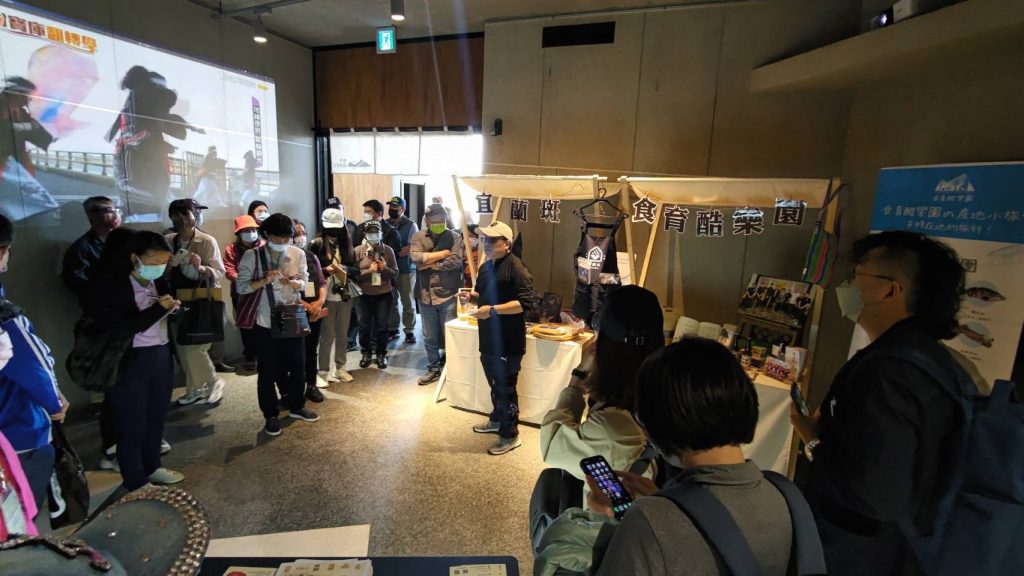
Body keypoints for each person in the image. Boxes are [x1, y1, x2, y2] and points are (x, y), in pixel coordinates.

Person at [790, 230, 970, 576]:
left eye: (856, 274)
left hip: (864, 557)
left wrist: (813, 440)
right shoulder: (933, 361)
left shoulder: (888, 373)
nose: (848, 286)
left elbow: (875, 494)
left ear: (890, 290)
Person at [584, 338, 797, 576]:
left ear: (659, 422)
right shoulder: (786, 497)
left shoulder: (647, 523)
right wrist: (667, 503)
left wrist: (615, 521)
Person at [540, 285, 665, 506]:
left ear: (604, 348)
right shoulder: (668, 395)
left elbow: (552, 445)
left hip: (608, 525)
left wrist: (577, 380)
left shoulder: (611, 428)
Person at [87, 230, 185, 490]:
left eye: (163, 262)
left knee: (156, 418)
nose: (159, 267)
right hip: (129, 361)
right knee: (132, 424)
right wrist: (157, 310)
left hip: (160, 354)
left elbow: (165, 313)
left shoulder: (159, 281)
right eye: (153, 262)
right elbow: (119, 328)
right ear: (134, 258)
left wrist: (173, 310)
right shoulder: (111, 286)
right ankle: (135, 479)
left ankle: (152, 467)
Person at [0, 214, 67, 519]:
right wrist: (54, 403)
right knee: (18, 521)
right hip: (18, 432)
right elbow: (34, 366)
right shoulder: (6, 317)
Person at [235, 213, 319, 436]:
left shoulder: (297, 253)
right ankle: (270, 415)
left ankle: (297, 405)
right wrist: (264, 280)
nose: (282, 241)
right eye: (277, 237)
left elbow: (305, 282)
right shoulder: (253, 256)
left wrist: (292, 282)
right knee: (267, 371)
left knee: (298, 366)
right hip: (265, 320)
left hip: (292, 315)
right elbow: (241, 287)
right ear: (266, 234)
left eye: (286, 237)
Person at [461, 221, 536, 456]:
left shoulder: (517, 268)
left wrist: (492, 310)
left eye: (493, 240)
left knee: (506, 387)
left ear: (507, 243)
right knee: (495, 383)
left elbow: (524, 304)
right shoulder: (486, 267)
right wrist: (471, 297)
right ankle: (496, 419)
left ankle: (510, 434)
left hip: (508, 339)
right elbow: (482, 295)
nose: (487, 243)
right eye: (485, 239)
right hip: (488, 336)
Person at [165, 199, 227, 405]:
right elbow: (161, 273)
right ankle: (195, 389)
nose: (183, 219)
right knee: (183, 348)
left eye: (187, 214)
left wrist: (200, 267)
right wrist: (170, 266)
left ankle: (213, 381)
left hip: (202, 299)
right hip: (177, 300)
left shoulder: (206, 240)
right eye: (177, 215)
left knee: (195, 348)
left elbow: (219, 272)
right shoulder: (168, 240)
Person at [410, 204, 463, 385]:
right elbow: (416, 258)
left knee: (450, 334)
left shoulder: (455, 237)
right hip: (425, 293)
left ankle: (452, 369)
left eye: (442, 220)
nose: (440, 224)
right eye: (435, 221)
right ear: (427, 221)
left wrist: (432, 264)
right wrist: (443, 254)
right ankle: (433, 368)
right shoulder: (418, 236)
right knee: (429, 335)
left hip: (448, 293)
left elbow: (456, 260)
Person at [310, 206, 358, 384]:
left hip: (344, 294)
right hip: (325, 295)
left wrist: (344, 268)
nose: (334, 232)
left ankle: (340, 367)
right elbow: (309, 271)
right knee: (327, 335)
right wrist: (325, 270)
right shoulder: (316, 244)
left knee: (343, 333)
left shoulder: (347, 244)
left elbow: (356, 269)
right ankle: (323, 371)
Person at [62, 196, 123, 309]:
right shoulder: (81, 248)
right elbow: (78, 283)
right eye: (109, 210)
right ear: (91, 215)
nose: (116, 215)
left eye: (117, 210)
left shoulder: (125, 240)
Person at [291, 220, 328, 402]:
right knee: (295, 351)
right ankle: (293, 389)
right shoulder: (285, 258)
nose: (301, 237)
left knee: (311, 348)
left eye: (303, 233)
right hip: (295, 310)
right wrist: (307, 306)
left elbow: (321, 281)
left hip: (314, 310)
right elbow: (285, 291)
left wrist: (319, 303)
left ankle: (311, 385)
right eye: (297, 233)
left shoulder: (311, 255)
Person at [354, 221, 398, 370]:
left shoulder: (388, 250)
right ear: (365, 235)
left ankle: (381, 354)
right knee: (364, 326)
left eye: (376, 233)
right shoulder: (358, 251)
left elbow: (395, 272)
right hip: (364, 295)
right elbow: (353, 275)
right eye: (371, 233)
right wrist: (369, 271)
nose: (374, 236)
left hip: (383, 294)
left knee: (382, 327)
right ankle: (366, 353)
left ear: (381, 234)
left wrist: (385, 268)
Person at [224, 214, 263, 373]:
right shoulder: (231, 249)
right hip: (241, 294)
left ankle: (264, 354)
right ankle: (250, 356)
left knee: (263, 324)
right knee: (246, 326)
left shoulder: (263, 246)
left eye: (253, 229)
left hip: (261, 292)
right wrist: (243, 280)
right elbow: (229, 270)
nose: (251, 233)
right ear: (239, 233)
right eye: (247, 230)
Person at [385, 196, 419, 343]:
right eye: (390, 207)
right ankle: (393, 328)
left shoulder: (411, 225)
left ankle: (409, 330)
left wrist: (393, 254)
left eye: (395, 207)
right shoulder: (385, 223)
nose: (392, 209)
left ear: (403, 209)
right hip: (389, 270)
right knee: (391, 300)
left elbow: (412, 246)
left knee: (407, 301)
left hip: (405, 269)